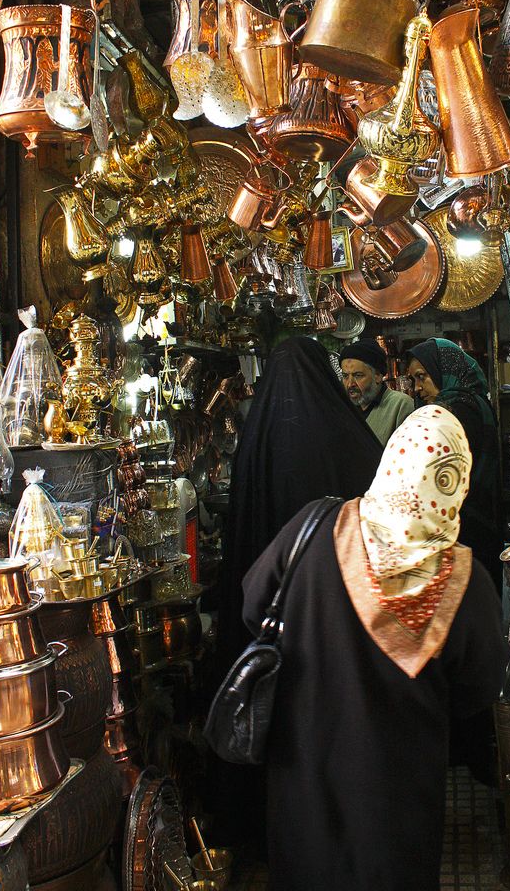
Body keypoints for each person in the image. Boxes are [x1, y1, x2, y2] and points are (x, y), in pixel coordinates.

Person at [242, 406, 507, 891]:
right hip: (398, 791)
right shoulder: (466, 583)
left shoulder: (316, 527)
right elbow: (480, 686)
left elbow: (253, 602)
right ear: (455, 482)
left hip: (303, 765)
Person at [209, 337, 383, 848]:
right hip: (342, 620)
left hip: (272, 621)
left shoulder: (258, 440)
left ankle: (274, 834)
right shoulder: (347, 435)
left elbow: (242, 533)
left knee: (282, 729)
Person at [406, 338, 503, 587]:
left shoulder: (453, 410)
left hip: (461, 526)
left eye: (422, 377)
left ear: (443, 371)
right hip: (481, 520)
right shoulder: (476, 401)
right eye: (414, 379)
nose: (417, 388)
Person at [339, 338, 414, 445]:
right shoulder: (344, 408)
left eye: (358, 375)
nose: (350, 384)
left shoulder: (400, 405)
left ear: (378, 375)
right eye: (345, 376)